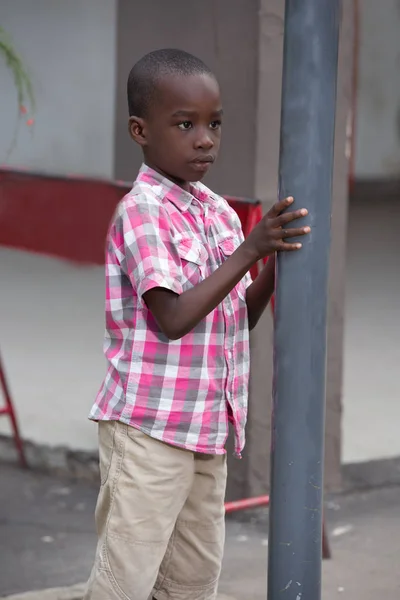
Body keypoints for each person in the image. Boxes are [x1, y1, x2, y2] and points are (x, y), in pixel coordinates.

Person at [83, 48, 310, 600]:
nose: (204, 138)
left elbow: (236, 317)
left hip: (207, 432)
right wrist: (250, 250)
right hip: (149, 434)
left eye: (214, 124)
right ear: (141, 130)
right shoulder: (141, 212)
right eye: (185, 124)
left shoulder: (219, 213)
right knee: (125, 581)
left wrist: (273, 268)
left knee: (192, 580)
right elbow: (174, 317)